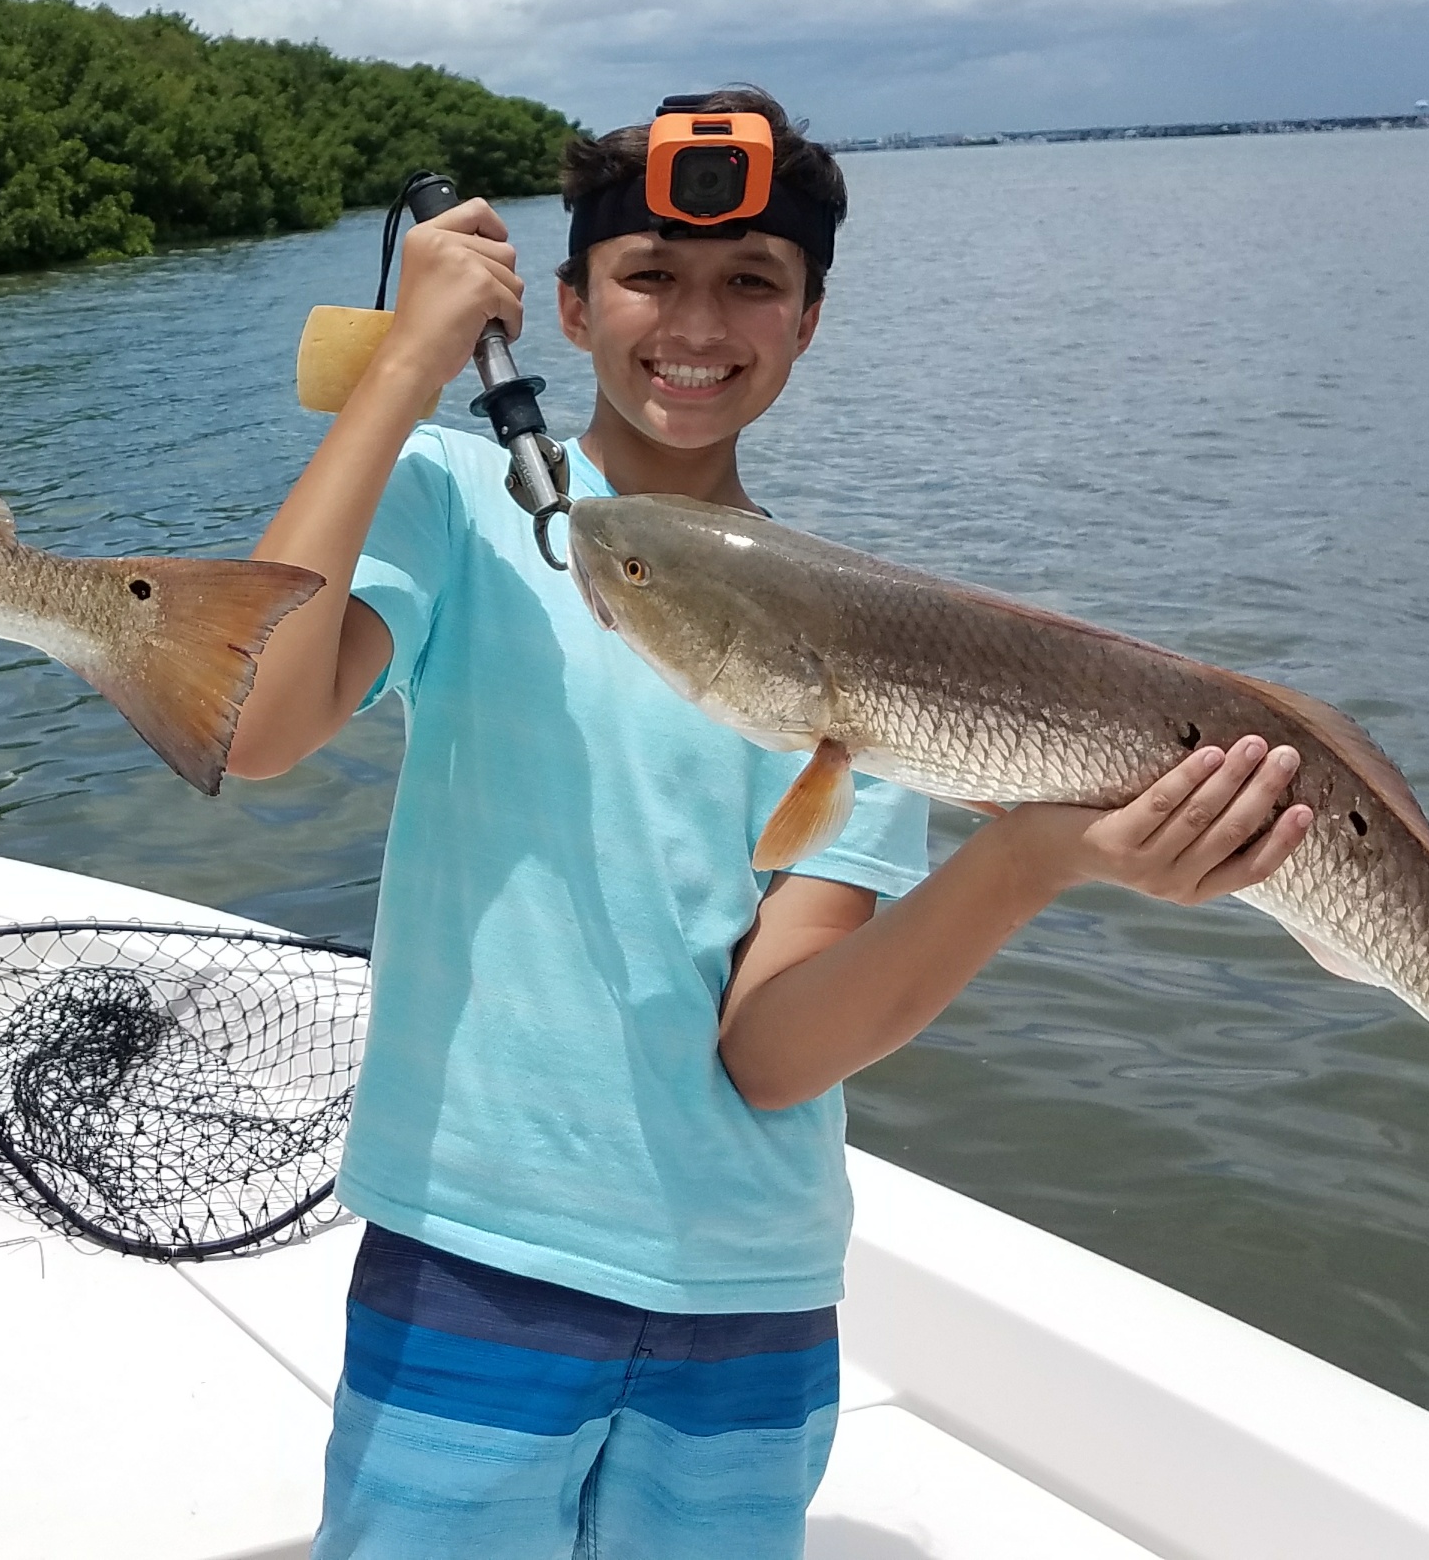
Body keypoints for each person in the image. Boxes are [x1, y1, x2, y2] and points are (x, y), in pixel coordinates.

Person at [228, 87, 1312, 1560]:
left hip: (752, 1301)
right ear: (565, 306)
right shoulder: (457, 503)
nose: (697, 322)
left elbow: (772, 1047)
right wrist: (406, 368)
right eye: (648, 275)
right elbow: (247, 725)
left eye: (754, 283)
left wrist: (1034, 851)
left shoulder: (865, 643)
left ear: (809, 323)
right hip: (475, 1268)